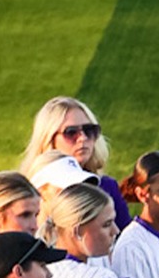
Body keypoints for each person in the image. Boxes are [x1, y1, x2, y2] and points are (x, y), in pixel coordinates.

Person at [22, 96, 130, 228]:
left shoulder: (106, 187)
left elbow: (123, 240)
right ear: (49, 139)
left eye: (89, 130)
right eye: (71, 132)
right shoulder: (28, 193)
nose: (83, 138)